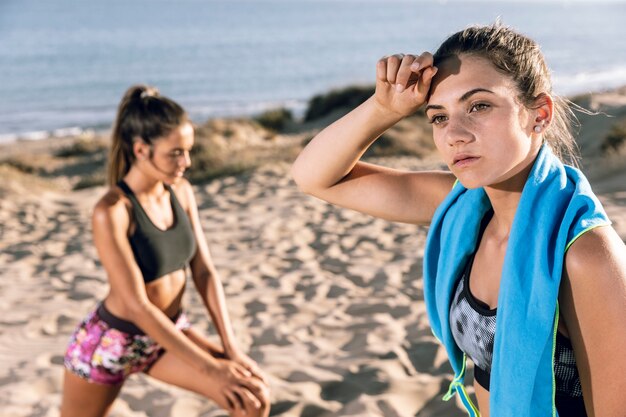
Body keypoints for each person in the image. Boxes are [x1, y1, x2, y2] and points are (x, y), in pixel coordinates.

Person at [291, 23, 626, 417]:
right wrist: (383, 109)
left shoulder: (586, 255)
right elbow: (313, 176)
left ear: (539, 114)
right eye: (438, 117)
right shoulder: (463, 208)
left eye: (478, 106)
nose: (455, 134)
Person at [61, 85, 271, 417]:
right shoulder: (112, 210)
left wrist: (232, 349)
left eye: (188, 150)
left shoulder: (181, 192)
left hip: (169, 334)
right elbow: (137, 306)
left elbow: (204, 272)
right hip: (114, 342)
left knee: (251, 398)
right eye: (175, 153)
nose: (186, 162)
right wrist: (211, 368)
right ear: (141, 149)